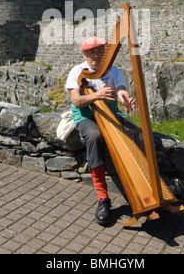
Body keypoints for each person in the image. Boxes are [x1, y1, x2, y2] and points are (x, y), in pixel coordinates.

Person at [65, 36, 139, 226]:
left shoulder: (113, 71)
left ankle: (141, 185)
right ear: (85, 54)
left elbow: (121, 90)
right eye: (92, 52)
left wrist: (126, 100)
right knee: (95, 136)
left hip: (111, 114)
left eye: (100, 52)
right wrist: (97, 95)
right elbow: (77, 101)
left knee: (138, 134)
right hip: (86, 116)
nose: (96, 55)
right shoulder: (77, 72)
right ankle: (103, 198)